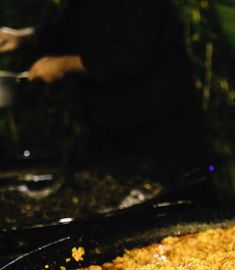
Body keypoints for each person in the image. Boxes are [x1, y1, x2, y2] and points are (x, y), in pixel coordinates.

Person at [0, 0, 206, 184]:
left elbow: (133, 55)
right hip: (110, 128)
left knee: (172, 201)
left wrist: (65, 64)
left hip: (159, 127)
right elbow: (68, 29)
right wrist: (23, 38)